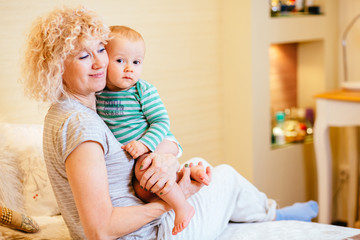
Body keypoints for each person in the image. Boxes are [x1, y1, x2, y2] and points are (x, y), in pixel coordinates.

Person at [21, 5, 319, 240]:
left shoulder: (78, 108)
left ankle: (270, 213)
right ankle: (276, 216)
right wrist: (173, 203)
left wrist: (165, 154)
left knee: (198, 166)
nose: (100, 63)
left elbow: (156, 128)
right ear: (57, 67)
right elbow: (100, 230)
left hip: (143, 217)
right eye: (84, 56)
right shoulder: (80, 126)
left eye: (101, 49)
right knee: (225, 176)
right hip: (148, 234)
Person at [96, 25, 210, 235]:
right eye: (120, 61)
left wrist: (145, 144)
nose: (129, 68)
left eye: (136, 62)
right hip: (135, 154)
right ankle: (187, 174)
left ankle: (182, 207)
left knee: (147, 167)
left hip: (158, 141)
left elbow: (161, 121)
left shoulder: (142, 90)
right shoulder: (98, 94)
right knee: (143, 191)